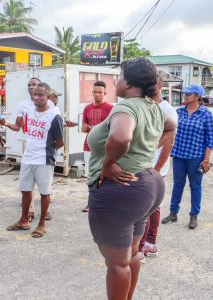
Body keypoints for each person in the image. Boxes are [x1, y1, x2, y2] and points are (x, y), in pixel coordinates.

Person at [87, 58, 176, 300]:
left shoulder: (125, 108)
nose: (117, 80)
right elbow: (170, 127)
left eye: (120, 75)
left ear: (129, 82)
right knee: (131, 254)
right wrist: (146, 150)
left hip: (122, 189)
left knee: (117, 263)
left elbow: (121, 138)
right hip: (148, 185)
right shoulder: (153, 107)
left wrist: (107, 164)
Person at [6, 82, 64, 238]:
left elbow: (60, 141)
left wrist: (47, 152)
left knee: (45, 193)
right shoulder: (29, 111)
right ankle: (24, 220)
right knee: (26, 191)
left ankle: (41, 225)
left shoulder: (54, 115)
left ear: (48, 96)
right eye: (35, 95)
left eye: (40, 95)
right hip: (27, 158)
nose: (36, 97)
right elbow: (27, 132)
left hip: (44, 160)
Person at [137, 76, 178, 263]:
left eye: (152, 85)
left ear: (160, 87)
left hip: (155, 168)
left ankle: (147, 244)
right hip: (142, 165)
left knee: (150, 208)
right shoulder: (145, 105)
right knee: (148, 208)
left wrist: (157, 169)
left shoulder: (168, 110)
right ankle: (146, 243)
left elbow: (168, 143)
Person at [162, 84, 213, 229]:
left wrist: (206, 160)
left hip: (196, 157)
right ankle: (173, 213)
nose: (185, 95)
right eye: (185, 93)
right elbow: (171, 132)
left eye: (189, 94)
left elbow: (211, 138)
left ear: (197, 96)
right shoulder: (179, 112)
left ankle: (193, 216)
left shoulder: (206, 114)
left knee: (195, 186)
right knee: (178, 184)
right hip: (179, 155)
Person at [81, 81, 113, 212]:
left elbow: (113, 128)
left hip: (105, 149)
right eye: (95, 92)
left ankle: (106, 202)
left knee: (105, 175)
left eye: (100, 92)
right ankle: (91, 202)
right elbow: (83, 127)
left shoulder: (110, 108)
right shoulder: (87, 108)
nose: (97, 94)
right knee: (91, 176)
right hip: (88, 147)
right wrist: (84, 128)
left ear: (105, 93)